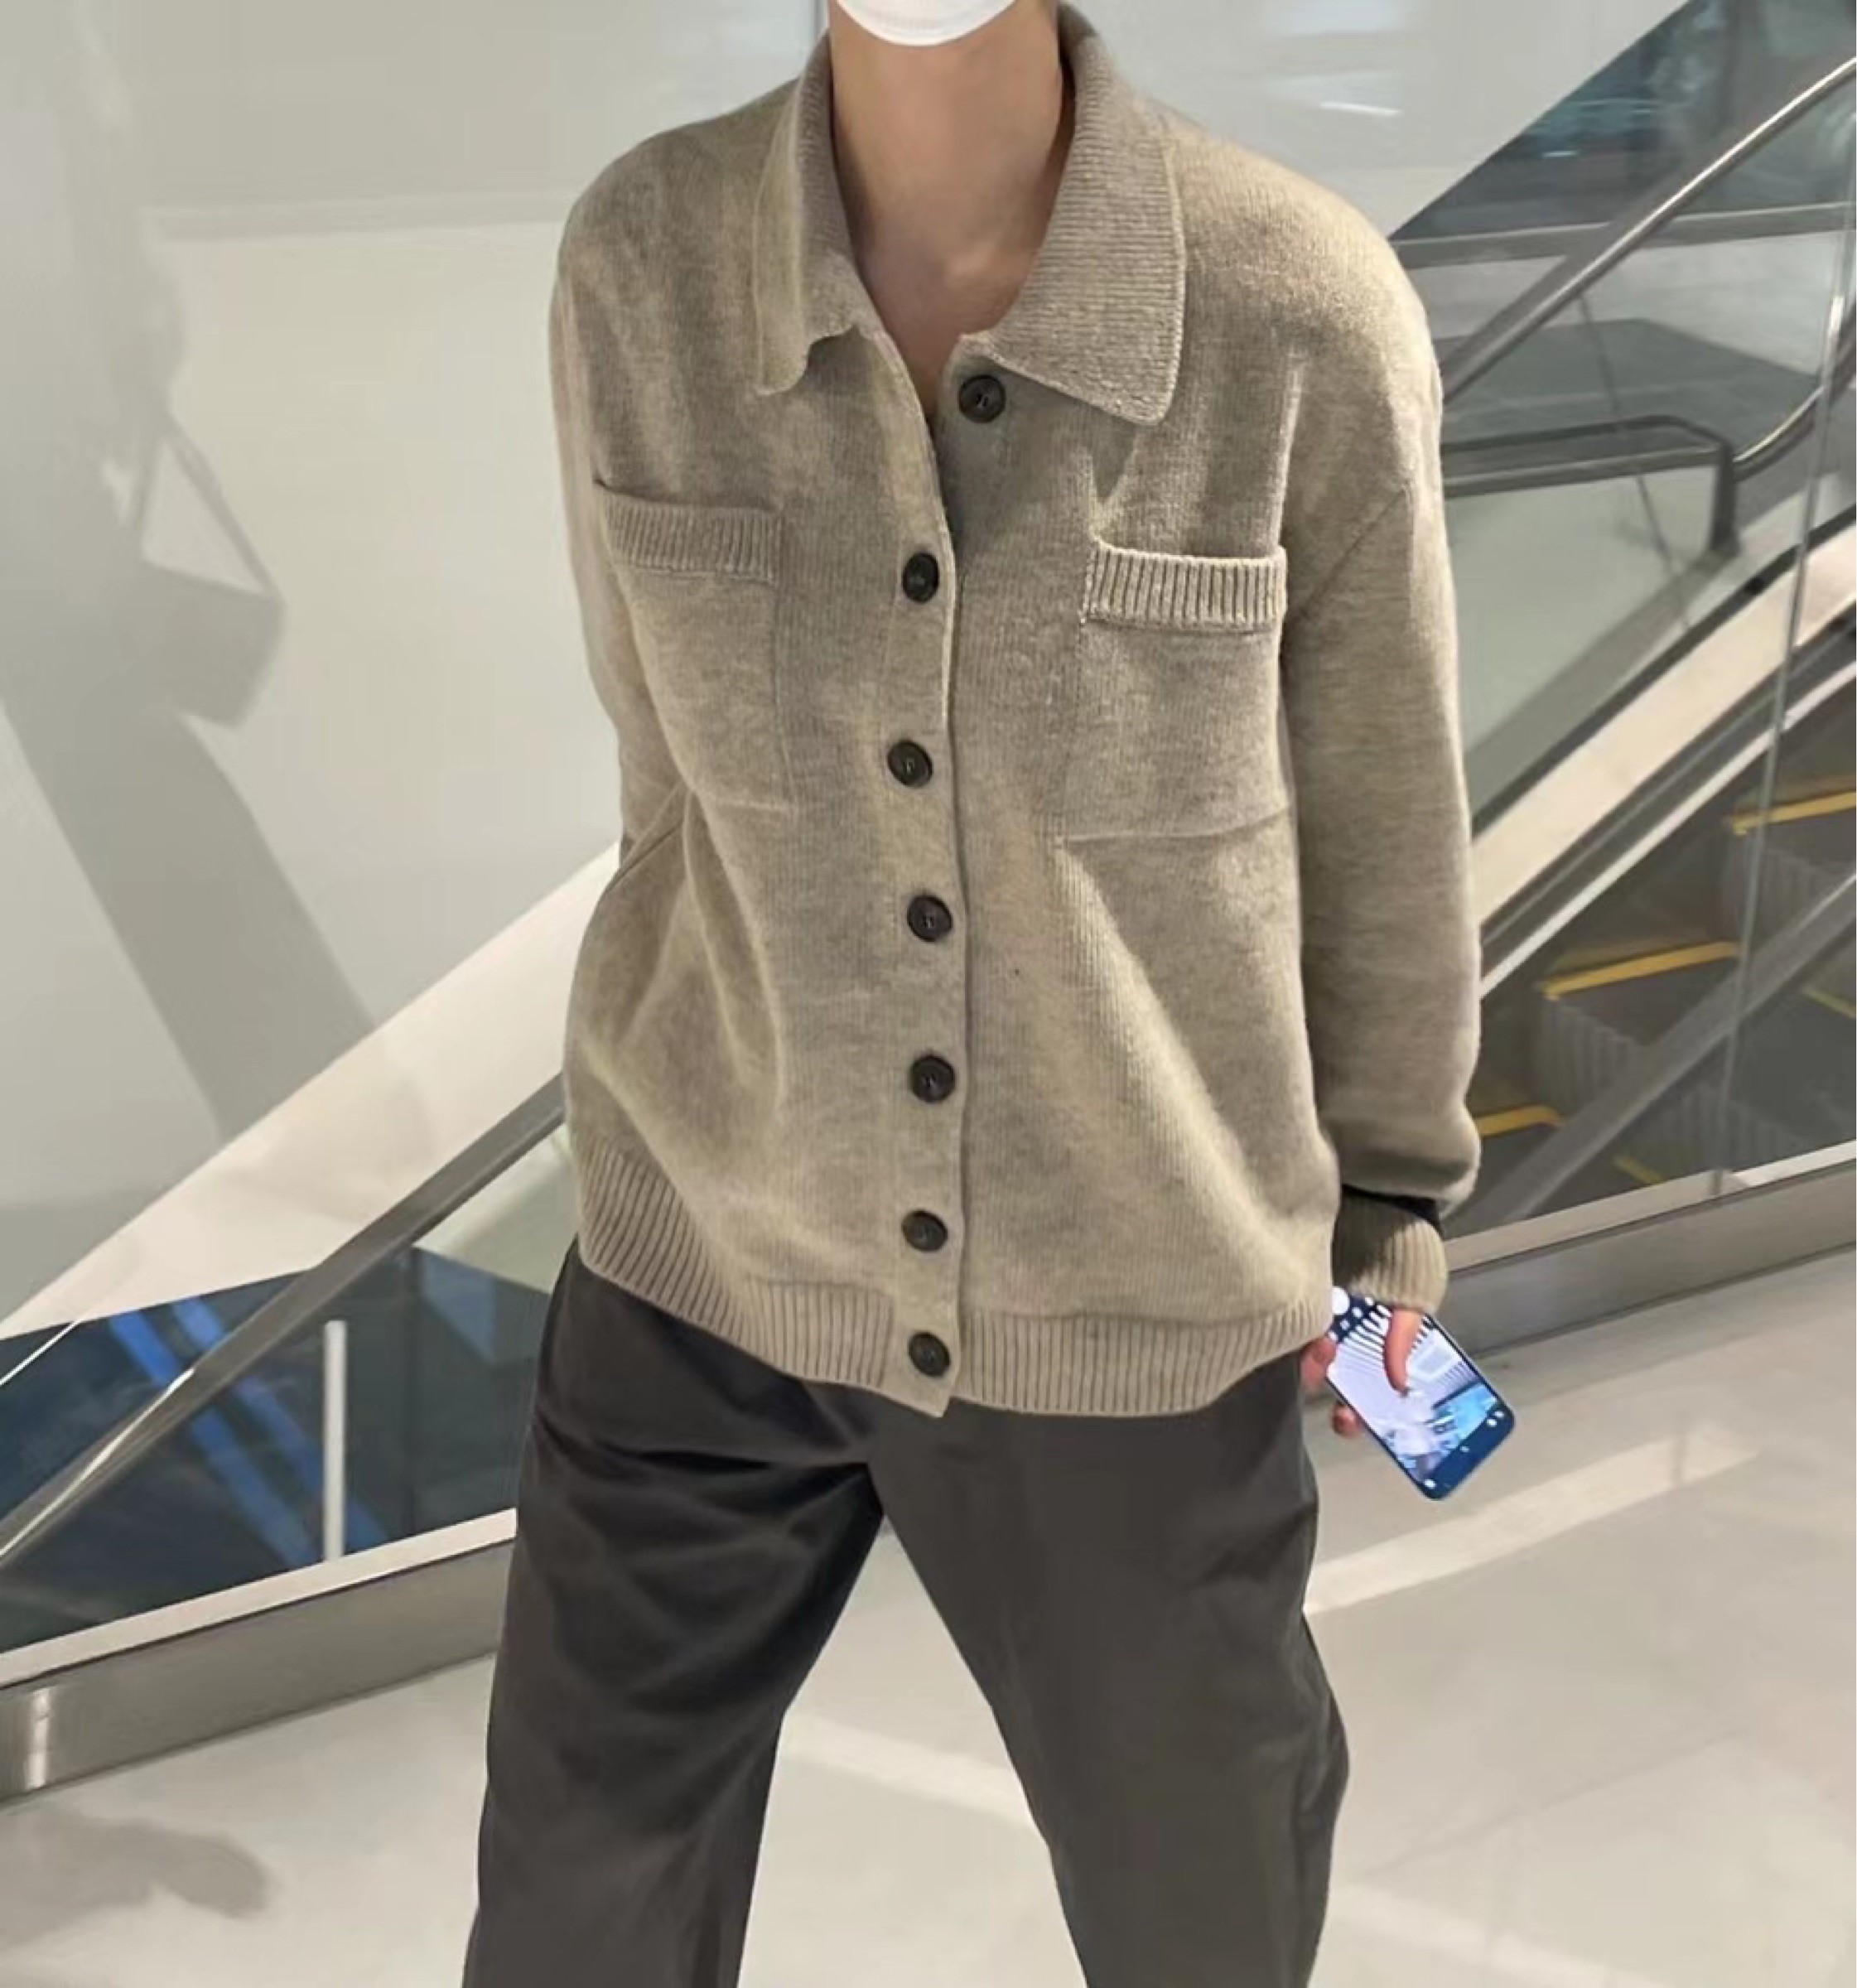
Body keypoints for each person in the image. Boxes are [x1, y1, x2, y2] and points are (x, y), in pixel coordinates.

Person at [463, 2, 1480, 1983]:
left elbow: (1380, 839)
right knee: (575, 1902)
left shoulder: (1292, 306)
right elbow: (661, 783)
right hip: (698, 1264)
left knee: (1199, 1911)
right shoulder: (643, 260)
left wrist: (1381, 1237)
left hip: (1132, 1303)